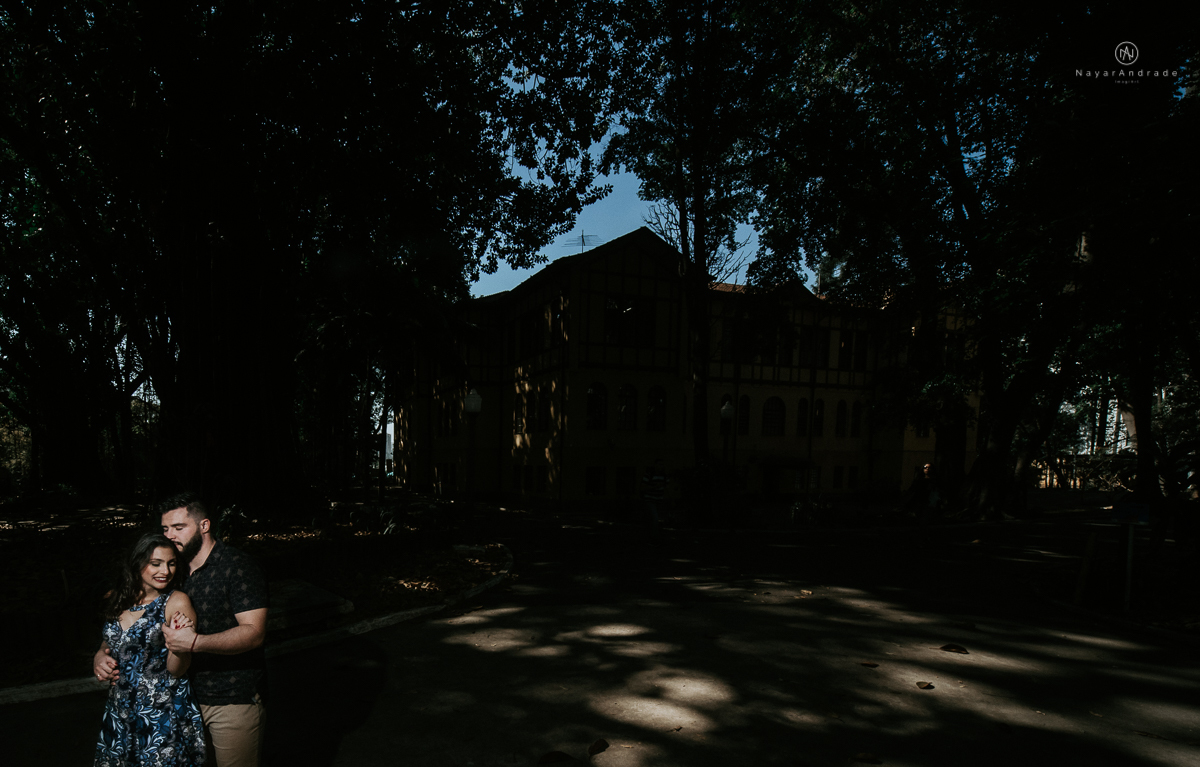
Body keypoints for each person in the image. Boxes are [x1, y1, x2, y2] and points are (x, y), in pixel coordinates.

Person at [95, 493, 269, 767]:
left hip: (229, 697)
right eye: (165, 528)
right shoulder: (173, 571)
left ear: (204, 525)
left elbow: (254, 632)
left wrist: (193, 642)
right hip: (179, 700)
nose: (171, 535)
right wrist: (102, 652)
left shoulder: (237, 566)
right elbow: (135, 630)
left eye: (179, 527)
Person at [94, 533, 206, 766]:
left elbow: (177, 670)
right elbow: (113, 641)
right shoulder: (116, 599)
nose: (165, 571)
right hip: (121, 709)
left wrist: (178, 646)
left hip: (161, 712)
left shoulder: (176, 601)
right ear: (137, 563)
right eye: (155, 563)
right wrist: (99, 656)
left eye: (171, 563)